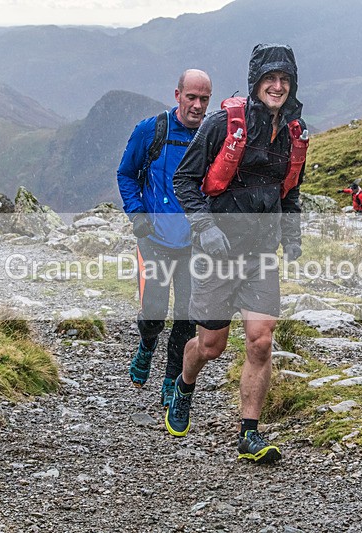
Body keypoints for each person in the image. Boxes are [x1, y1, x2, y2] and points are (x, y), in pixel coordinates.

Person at [168, 43, 307, 464]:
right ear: (256, 83)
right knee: (210, 346)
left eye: (284, 80)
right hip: (217, 251)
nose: (278, 86)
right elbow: (184, 180)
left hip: (261, 254)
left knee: (261, 342)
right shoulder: (222, 125)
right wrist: (205, 227)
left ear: (292, 84)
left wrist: (292, 234)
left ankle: (249, 434)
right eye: (270, 79)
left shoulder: (295, 133)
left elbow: (292, 190)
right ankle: (183, 384)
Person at [116, 69, 212, 408]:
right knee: (155, 310)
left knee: (185, 317)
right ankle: (146, 344)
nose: (197, 106)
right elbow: (126, 174)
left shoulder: (211, 135)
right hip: (153, 239)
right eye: (191, 97)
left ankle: (172, 380)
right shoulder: (151, 130)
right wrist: (138, 215)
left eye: (204, 99)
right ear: (177, 95)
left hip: (194, 246)